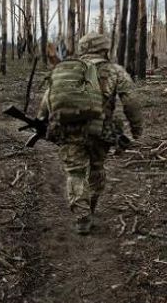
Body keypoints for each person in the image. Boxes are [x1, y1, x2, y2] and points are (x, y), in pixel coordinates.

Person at [38, 32, 143, 234]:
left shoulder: (67, 71)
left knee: (75, 172)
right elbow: (131, 102)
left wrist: (41, 120)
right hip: (101, 131)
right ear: (105, 49)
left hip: (69, 130)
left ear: (83, 48)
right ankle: (91, 206)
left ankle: (82, 217)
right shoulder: (115, 71)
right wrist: (136, 129)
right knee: (96, 167)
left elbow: (47, 99)